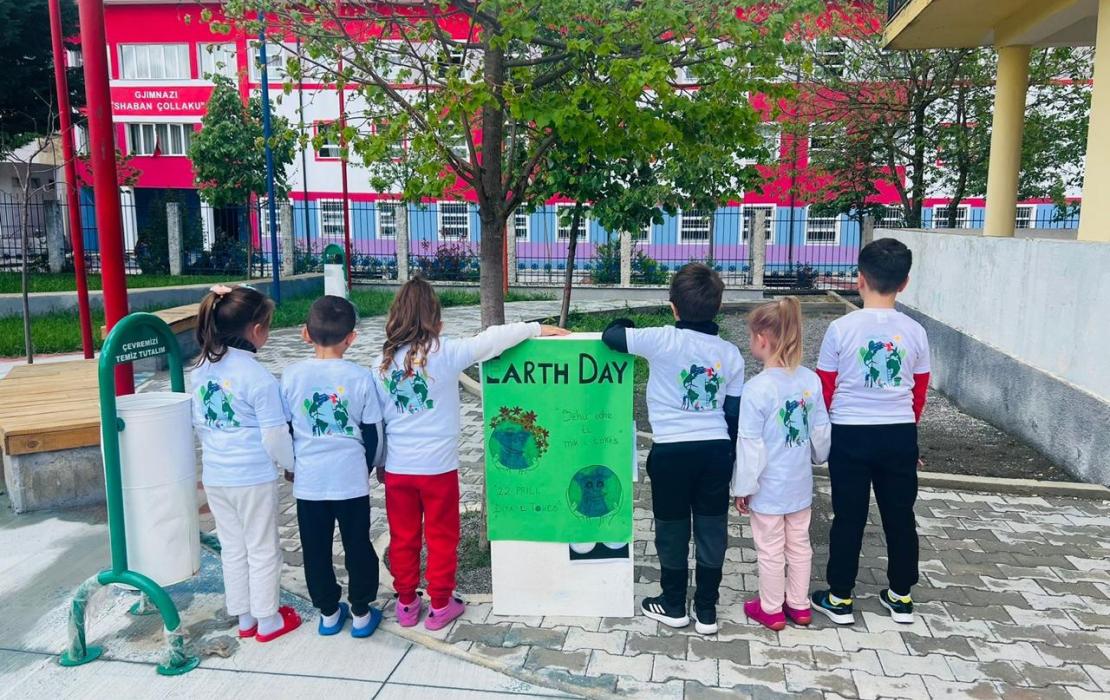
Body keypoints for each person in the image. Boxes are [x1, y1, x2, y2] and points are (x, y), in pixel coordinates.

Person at [372, 276, 568, 630]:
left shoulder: (380, 364)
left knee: (403, 537)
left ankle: (405, 604)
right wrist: (536, 329)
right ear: (436, 318)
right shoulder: (444, 352)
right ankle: (441, 605)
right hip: (438, 471)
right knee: (442, 536)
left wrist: (381, 463)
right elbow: (491, 340)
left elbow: (378, 422)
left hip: (398, 470)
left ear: (395, 316)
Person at [601, 262, 744, 635]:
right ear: (718, 306)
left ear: (673, 306)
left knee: (672, 528)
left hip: (671, 452)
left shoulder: (662, 338)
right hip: (716, 450)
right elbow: (733, 413)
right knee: (712, 529)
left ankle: (673, 604)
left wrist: (627, 323)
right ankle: (708, 611)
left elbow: (611, 336)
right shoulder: (730, 354)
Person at [811, 238, 930, 625]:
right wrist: (909, 434)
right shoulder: (916, 331)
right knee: (900, 515)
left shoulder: (840, 328)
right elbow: (919, 390)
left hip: (850, 433)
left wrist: (825, 432)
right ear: (905, 282)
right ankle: (901, 596)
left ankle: (840, 597)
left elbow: (824, 386)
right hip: (897, 434)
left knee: (849, 516)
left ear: (859, 279)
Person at [191, 284, 301, 643]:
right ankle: (269, 620)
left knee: (233, 548)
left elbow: (199, 424)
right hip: (251, 476)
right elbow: (274, 436)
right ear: (257, 331)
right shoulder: (258, 377)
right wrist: (292, 464)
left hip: (217, 475)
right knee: (263, 548)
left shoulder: (201, 370)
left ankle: (244, 617)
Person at [281, 295, 384, 638]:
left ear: (305, 334)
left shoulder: (291, 377)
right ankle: (360, 611)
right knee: (357, 544)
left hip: (309, 481)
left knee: (315, 547)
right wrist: (368, 466)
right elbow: (373, 432)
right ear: (351, 337)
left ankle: (327, 612)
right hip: (350, 478)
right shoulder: (360, 377)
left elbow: (284, 429)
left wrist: (289, 464)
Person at [732, 297, 830, 631]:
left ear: (762, 339)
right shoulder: (811, 381)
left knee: (771, 548)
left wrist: (743, 488)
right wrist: (819, 456)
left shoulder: (756, 389)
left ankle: (771, 609)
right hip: (800, 484)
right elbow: (820, 430)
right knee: (800, 544)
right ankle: (799, 605)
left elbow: (750, 446)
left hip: (768, 488)